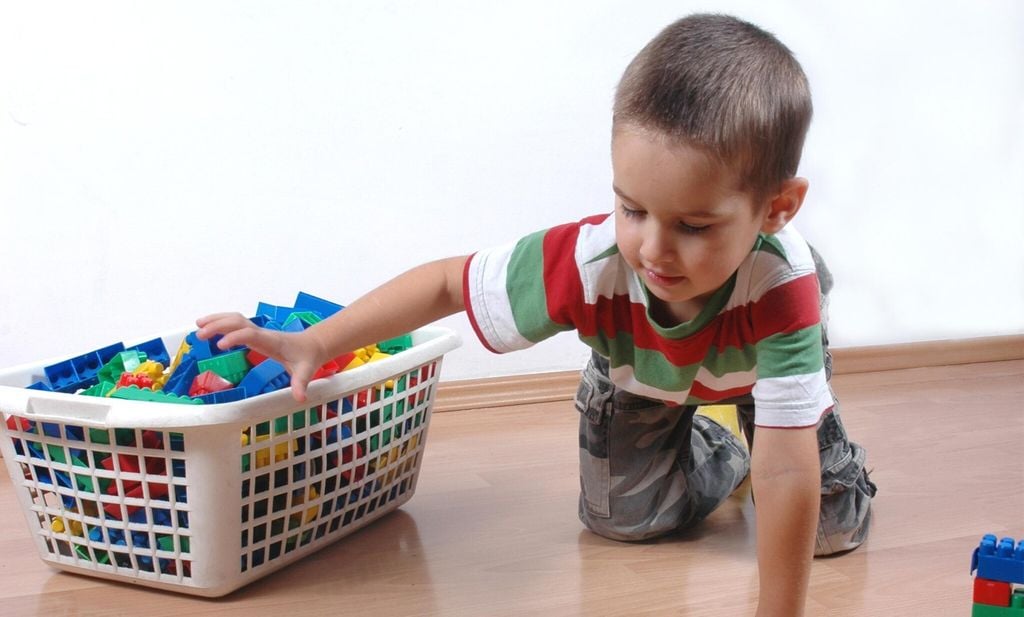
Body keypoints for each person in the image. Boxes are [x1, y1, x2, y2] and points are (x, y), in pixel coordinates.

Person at [197, 13, 876, 616]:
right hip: (640, 370)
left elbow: (787, 472)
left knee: (829, 529)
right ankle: (722, 449)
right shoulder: (595, 260)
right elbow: (444, 284)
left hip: (755, 363)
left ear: (777, 208)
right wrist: (313, 341)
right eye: (633, 207)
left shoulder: (783, 281)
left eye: (694, 225)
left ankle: (796, 416)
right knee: (625, 520)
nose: (654, 248)